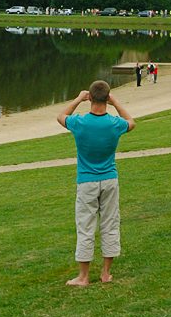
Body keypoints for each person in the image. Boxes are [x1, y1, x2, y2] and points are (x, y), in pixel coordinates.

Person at [57, 81, 135, 286]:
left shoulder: (80, 122)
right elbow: (131, 122)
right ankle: (105, 273)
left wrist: (78, 99)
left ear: (90, 98)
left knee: (85, 226)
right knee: (110, 224)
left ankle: (83, 276)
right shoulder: (114, 124)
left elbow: (61, 116)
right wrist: (115, 102)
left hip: (86, 181)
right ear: (107, 98)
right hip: (109, 178)